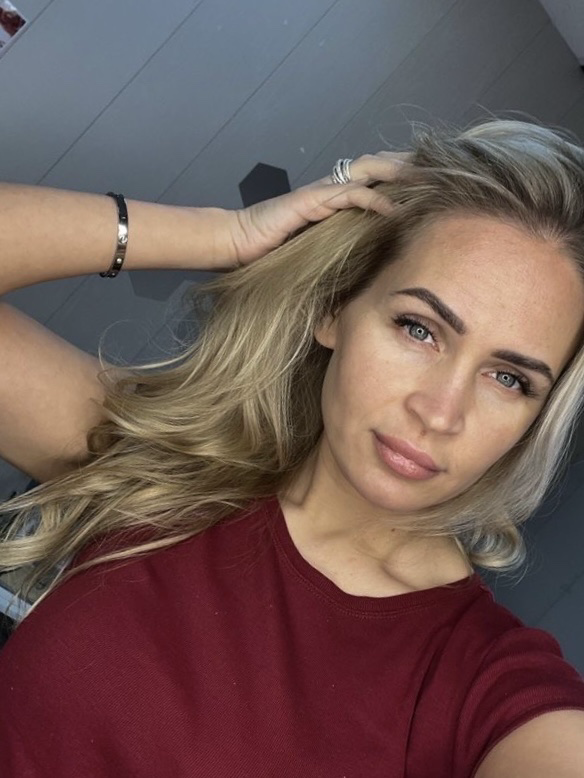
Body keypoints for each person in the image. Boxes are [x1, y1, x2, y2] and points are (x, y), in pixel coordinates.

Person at [0, 118, 583, 777]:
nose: (440, 412)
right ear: (334, 308)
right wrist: (226, 234)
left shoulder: (484, 685)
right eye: (418, 329)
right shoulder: (164, 468)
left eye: (509, 379)